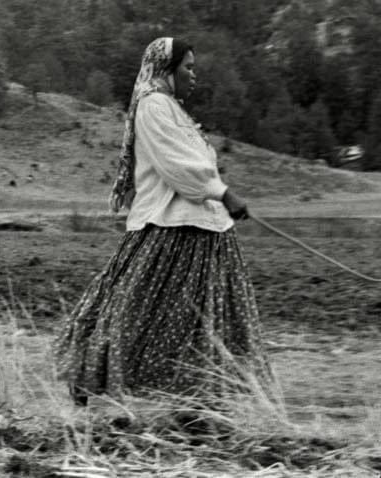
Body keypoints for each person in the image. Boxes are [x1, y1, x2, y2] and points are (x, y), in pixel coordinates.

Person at [56, 37, 272, 404]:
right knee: (142, 313)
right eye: (187, 67)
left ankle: (197, 398)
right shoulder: (154, 105)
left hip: (203, 228)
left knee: (197, 321)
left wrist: (219, 197)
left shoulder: (172, 108)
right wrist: (223, 193)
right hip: (171, 231)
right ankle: (100, 380)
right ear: (165, 70)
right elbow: (177, 164)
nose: (194, 76)